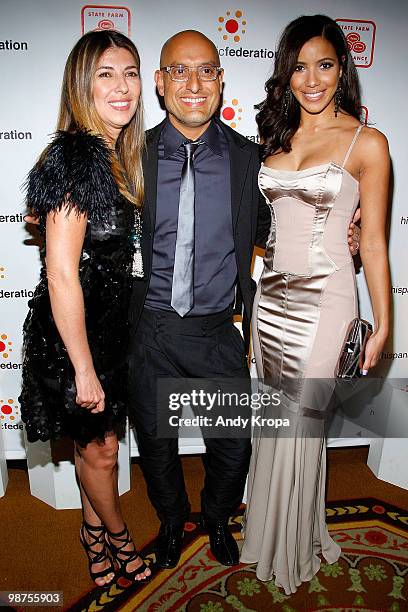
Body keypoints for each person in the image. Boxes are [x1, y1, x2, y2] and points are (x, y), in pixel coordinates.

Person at [127, 29, 361, 570]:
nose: (193, 83)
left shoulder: (249, 160)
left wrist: (343, 235)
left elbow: (282, 225)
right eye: (179, 71)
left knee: (233, 447)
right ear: (160, 83)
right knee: (156, 445)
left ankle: (215, 518)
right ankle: (169, 521)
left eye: (206, 70)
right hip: (150, 327)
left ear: (220, 79)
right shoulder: (129, 154)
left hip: (215, 330)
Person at [239, 14, 390, 594]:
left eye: (324, 64)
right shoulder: (276, 140)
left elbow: (372, 240)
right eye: (299, 67)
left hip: (326, 300)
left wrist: (383, 321)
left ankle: (293, 545)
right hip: (270, 298)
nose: (311, 79)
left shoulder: (367, 143)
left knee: (302, 423)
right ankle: (268, 532)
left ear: (341, 69)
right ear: (286, 74)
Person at [19, 30, 151, 587]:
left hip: (109, 331)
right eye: (105, 75)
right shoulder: (76, 156)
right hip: (77, 339)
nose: (122, 87)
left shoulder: (116, 154)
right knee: (102, 453)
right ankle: (116, 537)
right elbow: (61, 274)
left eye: (130, 73)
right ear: (82, 84)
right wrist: (83, 368)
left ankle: (92, 531)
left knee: (100, 449)